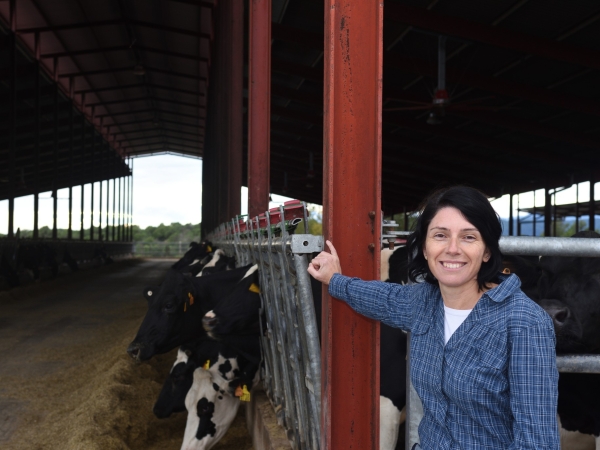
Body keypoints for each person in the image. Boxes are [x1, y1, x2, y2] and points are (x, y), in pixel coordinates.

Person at [307, 185, 559, 450]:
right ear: (425, 249)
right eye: (440, 235)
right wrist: (334, 278)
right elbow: (381, 297)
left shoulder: (524, 324)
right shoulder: (423, 302)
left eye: (469, 237)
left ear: (487, 251)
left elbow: (536, 443)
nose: (452, 249)